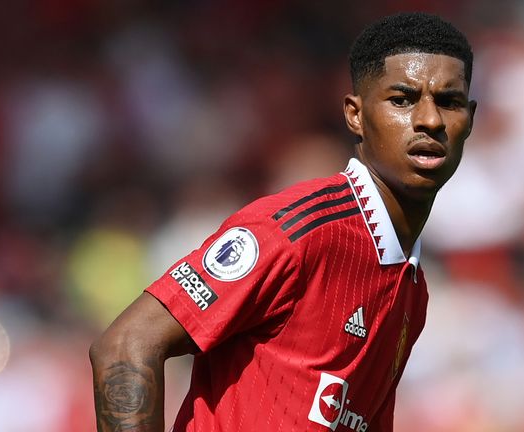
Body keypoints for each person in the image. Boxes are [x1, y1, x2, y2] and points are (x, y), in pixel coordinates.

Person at [89, 11, 477, 432]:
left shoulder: (411, 285)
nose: (430, 120)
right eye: (402, 99)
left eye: (449, 102)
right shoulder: (296, 232)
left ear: (470, 117)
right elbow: (126, 344)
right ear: (355, 115)